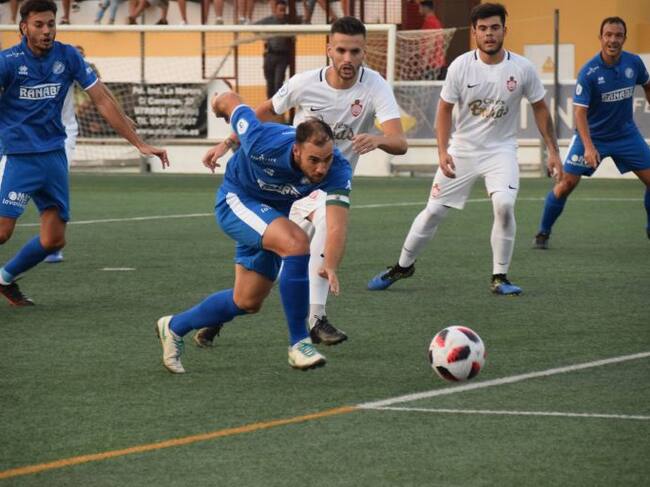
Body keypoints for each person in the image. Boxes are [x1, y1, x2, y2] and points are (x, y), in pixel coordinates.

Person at [195, 16, 406, 347]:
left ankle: (314, 320)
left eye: (355, 52)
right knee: (268, 278)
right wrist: (227, 143)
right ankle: (226, 315)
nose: (348, 58)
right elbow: (263, 112)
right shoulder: (304, 83)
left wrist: (378, 139)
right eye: (341, 50)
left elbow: (399, 142)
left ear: (365, 52)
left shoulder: (375, 86)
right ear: (328, 49)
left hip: (330, 185)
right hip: (291, 185)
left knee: (314, 239)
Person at [367, 2, 562, 295]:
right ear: (474, 32)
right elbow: (444, 110)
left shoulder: (522, 68)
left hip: (501, 151)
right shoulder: (460, 66)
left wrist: (554, 152)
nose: (489, 34)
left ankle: (500, 277)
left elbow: (541, 108)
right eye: (483, 29)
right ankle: (403, 266)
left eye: (495, 27)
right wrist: (442, 151)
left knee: (504, 206)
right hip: (463, 150)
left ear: (504, 30)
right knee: (433, 211)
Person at [155, 90, 352, 373]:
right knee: (296, 243)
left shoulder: (338, 168)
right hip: (236, 200)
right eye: (314, 160)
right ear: (296, 151)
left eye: (327, 159)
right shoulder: (262, 141)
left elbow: (336, 223)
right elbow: (230, 100)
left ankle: (174, 326)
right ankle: (299, 344)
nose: (322, 168)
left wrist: (330, 264)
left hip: (271, 215)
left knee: (247, 301)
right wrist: (218, 107)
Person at [0, 0, 168, 306]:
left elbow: (101, 99)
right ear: (23, 27)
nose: (47, 30)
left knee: (53, 240)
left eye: (51, 24)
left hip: (53, 156)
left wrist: (139, 143)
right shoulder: (7, 62)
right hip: (17, 156)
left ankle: (4, 279)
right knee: (2, 231)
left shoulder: (68, 56)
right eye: (39, 25)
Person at [533, 16, 650, 248]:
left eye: (618, 35)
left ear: (624, 38)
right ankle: (543, 233)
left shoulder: (634, 63)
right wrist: (588, 146)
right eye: (608, 35)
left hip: (626, 135)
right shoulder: (589, 71)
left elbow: (647, 85)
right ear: (600, 38)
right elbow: (579, 113)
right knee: (566, 184)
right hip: (592, 136)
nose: (613, 40)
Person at [255, 0, 292, 99]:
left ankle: (278, 106)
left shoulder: (289, 20)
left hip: (283, 56)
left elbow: (302, 21)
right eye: (280, 10)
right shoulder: (268, 20)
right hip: (270, 55)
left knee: (278, 83)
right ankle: (270, 105)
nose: (282, 13)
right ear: (275, 10)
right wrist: (263, 36)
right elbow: (253, 27)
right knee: (270, 83)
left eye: (284, 10)